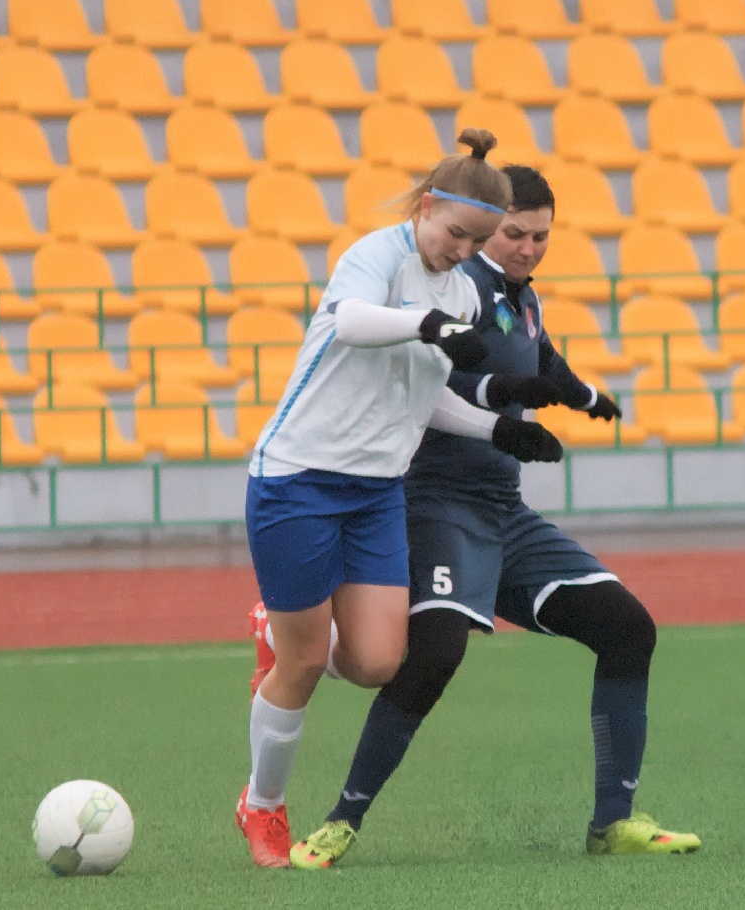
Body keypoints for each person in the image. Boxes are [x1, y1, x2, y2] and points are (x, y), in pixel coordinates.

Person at [251, 165, 700, 868]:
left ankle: (613, 822)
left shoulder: (496, 294)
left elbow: (481, 375)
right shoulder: (412, 267)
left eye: (538, 237)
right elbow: (394, 344)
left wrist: (556, 407)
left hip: (487, 506)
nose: (521, 248)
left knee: (625, 627)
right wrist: (480, 377)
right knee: (426, 655)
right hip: (417, 500)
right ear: (439, 211)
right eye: (509, 234)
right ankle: (331, 819)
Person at [237, 131, 566, 868]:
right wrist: (427, 324)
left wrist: (498, 429)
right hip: (299, 480)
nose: (462, 251)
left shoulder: (459, 292)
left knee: (380, 661)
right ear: (425, 209)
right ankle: (262, 808)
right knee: (301, 665)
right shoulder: (376, 255)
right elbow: (353, 322)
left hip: (376, 492)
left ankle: (281, 631)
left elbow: (424, 395)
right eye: (456, 234)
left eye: (475, 241)